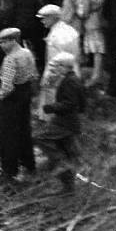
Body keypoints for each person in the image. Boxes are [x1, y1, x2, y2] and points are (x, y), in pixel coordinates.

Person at [34, 52, 85, 193]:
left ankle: (61, 164)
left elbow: (70, 103)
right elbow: (82, 104)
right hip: (69, 122)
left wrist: (51, 108)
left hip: (64, 123)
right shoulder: (73, 79)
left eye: (56, 66)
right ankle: (68, 187)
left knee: (39, 137)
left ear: (64, 67)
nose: (54, 69)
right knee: (65, 151)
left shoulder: (70, 82)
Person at [0, 27, 37, 183]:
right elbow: (33, 74)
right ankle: (29, 164)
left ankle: (9, 170)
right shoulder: (27, 53)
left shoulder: (10, 59)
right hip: (25, 93)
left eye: (3, 42)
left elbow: (7, 86)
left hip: (11, 98)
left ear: (13, 41)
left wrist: (0, 96)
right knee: (24, 130)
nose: (1, 45)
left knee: (7, 136)